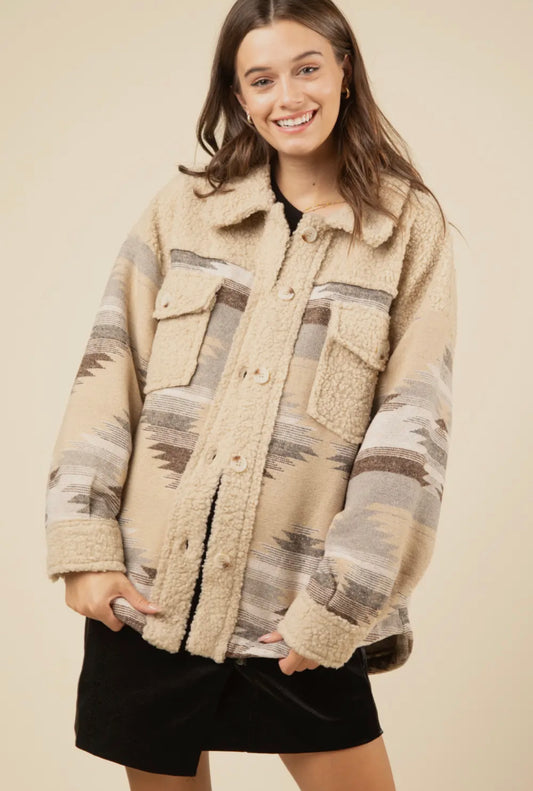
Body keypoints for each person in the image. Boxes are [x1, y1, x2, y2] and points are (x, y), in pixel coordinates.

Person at [44, 1, 458, 789]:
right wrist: (84, 550)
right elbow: (108, 369)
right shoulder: (182, 211)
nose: (287, 96)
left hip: (295, 605)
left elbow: (412, 424)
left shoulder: (405, 227)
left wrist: (340, 602)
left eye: (306, 68)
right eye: (261, 79)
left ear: (343, 70)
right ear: (238, 95)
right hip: (148, 597)